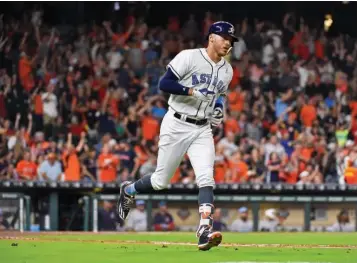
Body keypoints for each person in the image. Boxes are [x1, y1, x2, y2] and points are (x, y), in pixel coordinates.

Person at [117, 21, 237, 250]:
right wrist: (192, 90)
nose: (228, 44)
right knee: (160, 181)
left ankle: (204, 230)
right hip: (177, 123)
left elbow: (220, 95)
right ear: (212, 37)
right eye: (224, 38)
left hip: (202, 128)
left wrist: (220, 107)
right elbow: (164, 83)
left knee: (206, 178)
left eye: (231, 41)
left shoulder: (228, 70)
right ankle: (129, 190)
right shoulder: (189, 57)